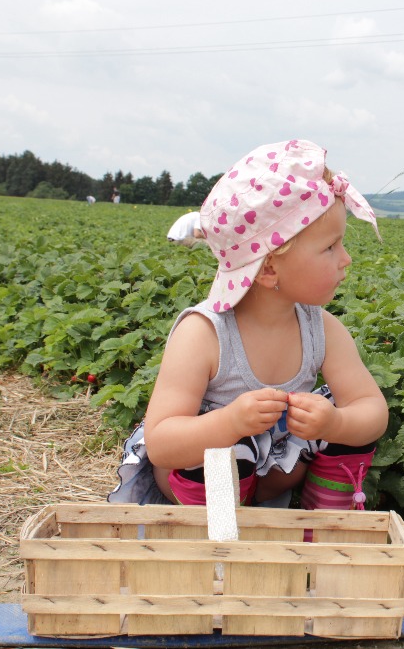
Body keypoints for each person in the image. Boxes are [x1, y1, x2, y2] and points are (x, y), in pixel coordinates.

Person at [108, 139, 388, 510]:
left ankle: (325, 529)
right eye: (331, 247)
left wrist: (334, 424)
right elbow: (161, 442)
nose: (346, 259)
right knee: (225, 449)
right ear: (269, 267)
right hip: (202, 489)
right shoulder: (204, 334)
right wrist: (231, 422)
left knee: (346, 416)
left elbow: (372, 410)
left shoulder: (323, 329)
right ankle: (223, 549)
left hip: (270, 478)